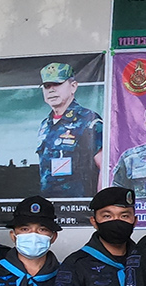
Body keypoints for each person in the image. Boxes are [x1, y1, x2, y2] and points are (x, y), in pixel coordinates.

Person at [36, 62, 103, 198]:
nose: (51, 90)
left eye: (57, 84)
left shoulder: (89, 120)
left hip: (78, 207)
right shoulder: (45, 125)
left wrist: (99, 204)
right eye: (47, 86)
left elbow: (105, 167)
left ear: (73, 87)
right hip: (49, 206)